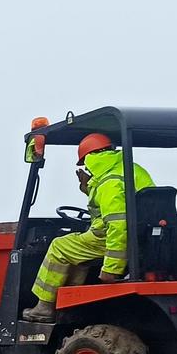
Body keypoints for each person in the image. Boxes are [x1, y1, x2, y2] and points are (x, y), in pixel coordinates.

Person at [23, 133, 155, 321]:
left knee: (59, 246)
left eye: (84, 164)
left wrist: (111, 269)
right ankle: (71, 306)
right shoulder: (129, 169)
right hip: (145, 235)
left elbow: (118, 225)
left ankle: (44, 307)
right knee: (78, 252)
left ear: (90, 159)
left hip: (115, 238)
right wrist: (88, 189)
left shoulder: (108, 182)